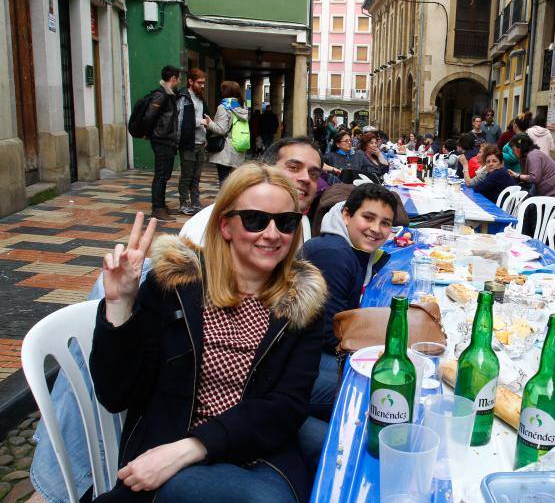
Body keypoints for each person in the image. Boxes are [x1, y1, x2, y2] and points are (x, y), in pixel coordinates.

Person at [89, 164, 328, 501]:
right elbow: (117, 395)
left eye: (285, 222)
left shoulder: (301, 304)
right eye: (255, 220)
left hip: (256, 453)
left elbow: (286, 406)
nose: (273, 234)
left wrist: (195, 447)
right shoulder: (175, 285)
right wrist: (120, 304)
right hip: (166, 449)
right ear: (225, 226)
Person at [301, 184, 397, 420]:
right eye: (368, 217)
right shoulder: (334, 253)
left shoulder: (351, 248)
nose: (376, 229)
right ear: (346, 215)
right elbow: (329, 333)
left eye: (385, 223)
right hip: (300, 353)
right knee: (377, 387)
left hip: (311, 344)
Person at [143, 65, 181, 222]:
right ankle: (157, 208)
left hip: (166, 139)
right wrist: (151, 133)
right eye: (178, 78)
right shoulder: (161, 95)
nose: (179, 81)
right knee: (161, 175)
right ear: (173, 78)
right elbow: (149, 116)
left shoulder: (168, 94)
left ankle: (161, 205)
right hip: (162, 140)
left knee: (164, 175)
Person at [176, 68, 211, 215]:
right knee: (187, 175)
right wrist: (201, 121)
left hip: (200, 142)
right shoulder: (183, 97)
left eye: (204, 83)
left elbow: (205, 116)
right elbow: (181, 119)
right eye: (200, 82)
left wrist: (206, 136)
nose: (202, 85)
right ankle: (184, 203)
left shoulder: (200, 97)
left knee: (196, 176)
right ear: (190, 81)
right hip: (188, 143)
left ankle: (196, 202)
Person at [206, 81, 249, 185]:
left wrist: (209, 123)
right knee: (235, 183)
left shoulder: (224, 107)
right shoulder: (242, 107)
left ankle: (226, 201)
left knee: (224, 181)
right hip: (238, 146)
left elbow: (222, 130)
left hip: (225, 149)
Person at [507, 133, 555, 202]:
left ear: (520, 148)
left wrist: (517, 175)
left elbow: (534, 178)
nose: (512, 152)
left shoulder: (533, 156)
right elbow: (526, 177)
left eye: (513, 149)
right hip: (551, 193)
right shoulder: (523, 158)